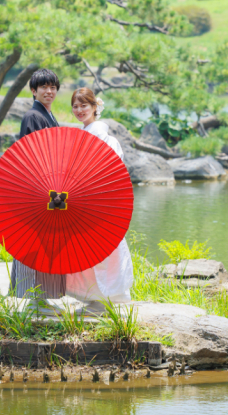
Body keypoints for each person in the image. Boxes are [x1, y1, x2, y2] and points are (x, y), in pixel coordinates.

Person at [66, 88, 134, 303]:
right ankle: (91, 296)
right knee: (84, 249)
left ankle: (113, 295)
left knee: (105, 249)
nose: (79, 110)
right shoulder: (78, 136)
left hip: (100, 203)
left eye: (84, 105)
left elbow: (115, 175)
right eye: (75, 106)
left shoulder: (108, 140)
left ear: (95, 107)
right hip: (80, 203)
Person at [10, 68, 67, 300]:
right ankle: (28, 295)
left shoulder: (50, 117)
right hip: (39, 190)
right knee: (34, 240)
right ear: (33, 91)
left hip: (52, 190)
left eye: (53, 87)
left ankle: (45, 294)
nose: (49, 91)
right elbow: (33, 156)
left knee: (48, 243)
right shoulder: (33, 117)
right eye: (44, 87)